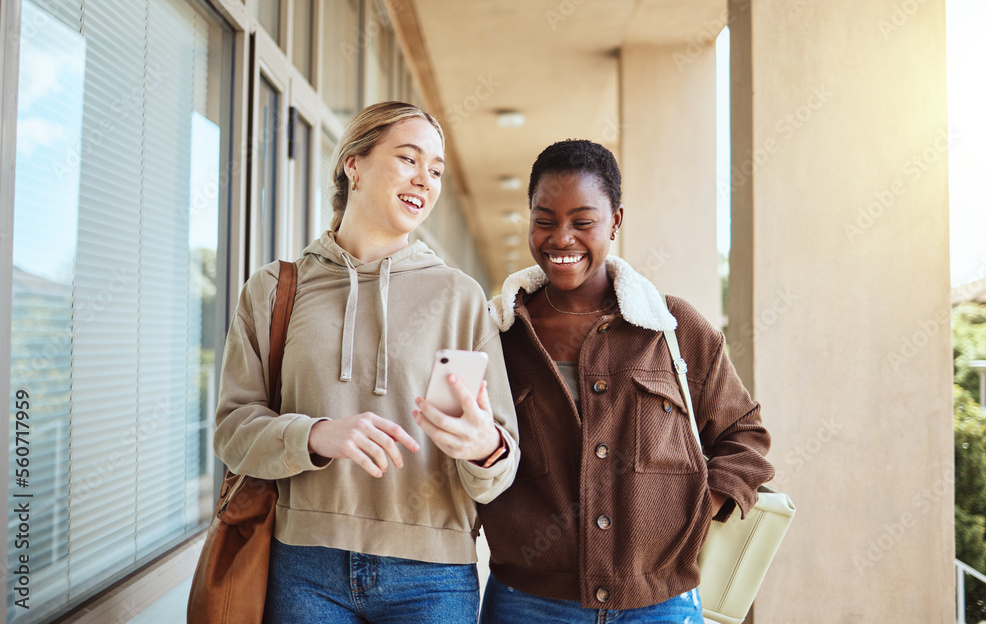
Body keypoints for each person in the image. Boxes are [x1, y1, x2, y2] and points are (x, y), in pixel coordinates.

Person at [213, 101, 519, 624]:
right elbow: (233, 431)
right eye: (408, 158)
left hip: (432, 576)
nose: (425, 179)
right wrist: (315, 435)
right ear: (353, 164)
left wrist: (483, 446)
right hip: (304, 564)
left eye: (437, 169)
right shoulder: (275, 291)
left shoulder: (458, 297)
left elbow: (500, 457)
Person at [477, 139, 774, 623]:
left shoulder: (673, 328)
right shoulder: (499, 336)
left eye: (583, 221)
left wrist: (700, 511)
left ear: (615, 220)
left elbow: (745, 437)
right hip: (528, 604)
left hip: (660, 605)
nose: (562, 238)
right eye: (545, 219)